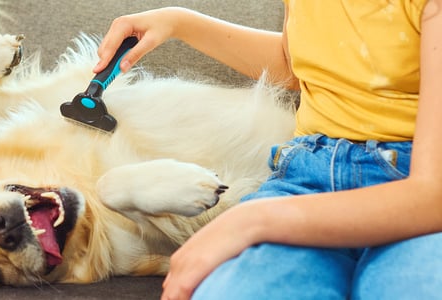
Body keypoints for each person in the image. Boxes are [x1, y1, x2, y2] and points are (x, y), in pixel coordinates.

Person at [95, 2, 442, 300]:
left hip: (414, 194)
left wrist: (250, 220)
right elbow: (301, 66)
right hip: (306, 178)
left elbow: (432, 197)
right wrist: (180, 22)